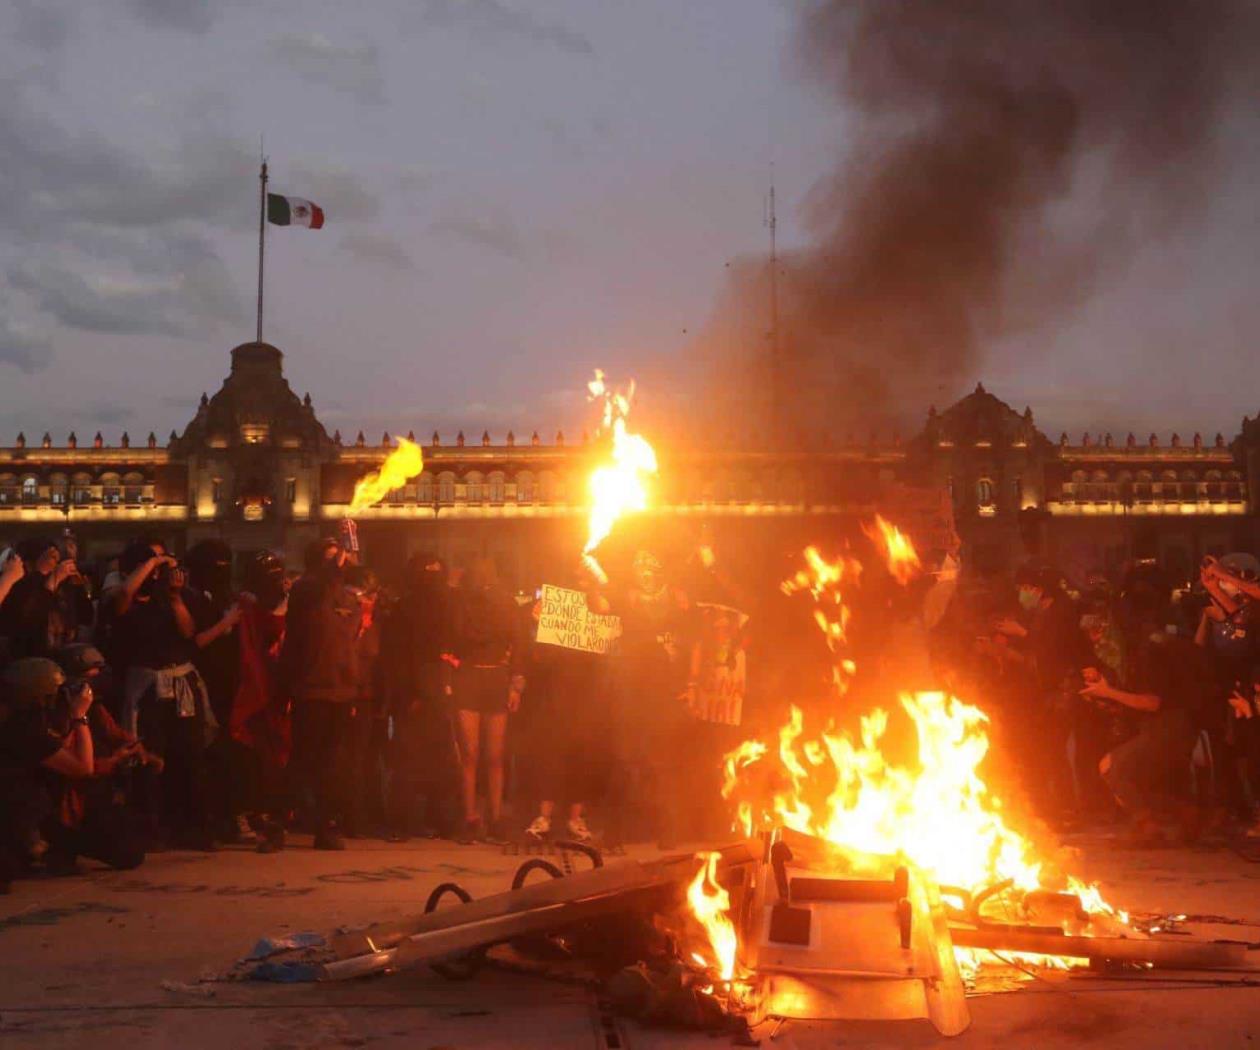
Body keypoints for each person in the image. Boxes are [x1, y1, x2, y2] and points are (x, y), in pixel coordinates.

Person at [1086, 581, 1211, 845]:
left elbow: (1152, 702)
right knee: (1138, 780)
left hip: (1168, 728)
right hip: (1178, 727)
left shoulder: (1148, 652)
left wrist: (1109, 694)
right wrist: (1109, 697)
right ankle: (1186, 814)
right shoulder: (1161, 641)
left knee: (1111, 768)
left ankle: (1148, 826)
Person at [113, 538, 217, 850]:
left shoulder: (170, 600)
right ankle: (149, 827)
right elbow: (123, 596)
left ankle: (194, 826)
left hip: (180, 685)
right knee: (149, 759)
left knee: (190, 755)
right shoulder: (126, 600)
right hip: (146, 690)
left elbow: (188, 632)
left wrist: (174, 597)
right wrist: (153, 563)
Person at [280, 537, 361, 850]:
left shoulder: (346, 595)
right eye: (331, 557)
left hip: (341, 690)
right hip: (311, 687)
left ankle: (325, 827)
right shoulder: (305, 590)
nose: (339, 562)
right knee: (302, 760)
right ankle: (277, 822)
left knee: (332, 763)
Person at [448, 557, 526, 844]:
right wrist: (515, 684)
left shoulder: (475, 603)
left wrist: (516, 684)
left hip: (484, 677)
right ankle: (481, 818)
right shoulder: (497, 603)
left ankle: (485, 817)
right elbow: (517, 644)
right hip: (481, 677)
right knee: (483, 756)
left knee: (482, 756)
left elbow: (517, 644)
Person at [384, 553, 458, 840]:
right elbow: (399, 654)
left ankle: (436, 817)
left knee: (437, 759)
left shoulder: (446, 606)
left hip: (436, 693)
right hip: (416, 695)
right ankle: (408, 821)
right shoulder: (406, 609)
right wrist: (410, 693)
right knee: (411, 759)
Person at [229, 550, 291, 853]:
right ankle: (261, 818)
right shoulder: (246, 608)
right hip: (255, 692)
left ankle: (274, 819)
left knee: (277, 758)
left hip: (279, 692)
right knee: (257, 759)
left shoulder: (285, 603)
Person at [0, 536, 78, 659]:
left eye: (58, 559)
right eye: (51, 559)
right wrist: (41, 573)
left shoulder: (59, 588)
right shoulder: (15, 586)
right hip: (27, 663)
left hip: (57, 659)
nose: (55, 565)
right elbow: (26, 621)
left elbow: (85, 616)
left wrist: (75, 582)